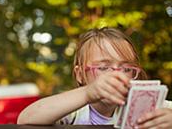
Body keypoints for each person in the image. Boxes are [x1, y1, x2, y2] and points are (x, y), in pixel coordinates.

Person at [17, 27, 172, 127]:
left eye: (126, 68)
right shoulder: (75, 111)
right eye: (103, 67)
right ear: (80, 75)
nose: (116, 75)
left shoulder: (148, 107)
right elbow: (25, 118)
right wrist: (88, 93)